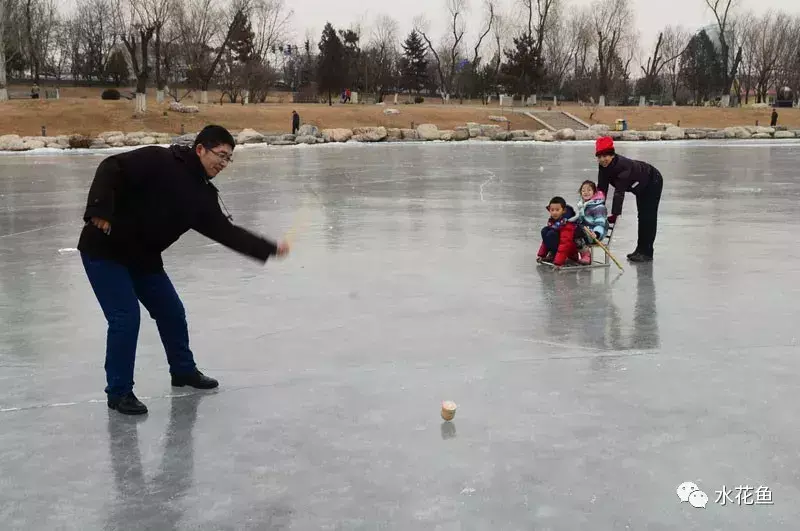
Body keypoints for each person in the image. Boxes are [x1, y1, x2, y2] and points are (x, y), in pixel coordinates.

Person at [78, 124, 290, 415]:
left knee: (172, 312)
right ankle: (119, 392)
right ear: (200, 149)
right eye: (221, 155)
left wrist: (266, 248)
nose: (224, 163)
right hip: (105, 250)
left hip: (143, 258)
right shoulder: (160, 161)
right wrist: (99, 209)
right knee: (125, 318)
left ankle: (183, 371)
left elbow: (224, 232)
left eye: (229, 158)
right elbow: (110, 166)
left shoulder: (202, 197)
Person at [595, 136, 664, 262]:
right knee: (642, 216)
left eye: (605, 156)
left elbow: (619, 192)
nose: (602, 160)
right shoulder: (603, 167)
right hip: (639, 185)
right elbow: (601, 189)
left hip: (652, 181)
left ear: (612, 155)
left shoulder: (623, 166)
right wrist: (596, 208)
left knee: (647, 217)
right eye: (599, 157)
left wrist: (615, 214)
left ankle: (647, 252)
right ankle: (640, 250)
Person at [569, 180, 609, 265]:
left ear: (594, 192)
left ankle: (586, 254)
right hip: (583, 232)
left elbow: (600, 223)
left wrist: (597, 233)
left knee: (576, 230)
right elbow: (579, 219)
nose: (586, 192)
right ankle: (572, 253)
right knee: (567, 228)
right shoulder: (583, 205)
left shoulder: (599, 207)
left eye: (589, 190)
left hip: (593, 235)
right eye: (583, 190)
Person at [537, 196, 579, 268]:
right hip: (558, 251)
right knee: (545, 230)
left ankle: (559, 257)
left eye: (557, 210)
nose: (554, 212)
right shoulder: (552, 222)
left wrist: (558, 262)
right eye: (552, 210)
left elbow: (565, 244)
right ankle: (553, 254)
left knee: (552, 233)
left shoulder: (567, 224)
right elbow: (545, 241)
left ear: (563, 210)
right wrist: (541, 255)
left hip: (569, 253)